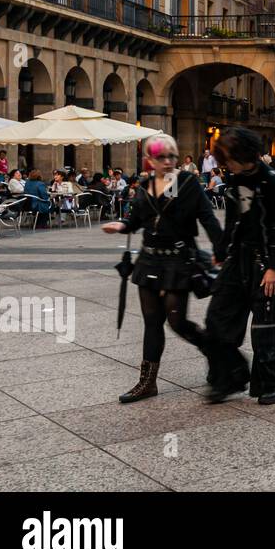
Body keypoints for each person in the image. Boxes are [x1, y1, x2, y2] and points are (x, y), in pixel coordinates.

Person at [101, 134, 224, 405]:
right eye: (161, 157)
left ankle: (218, 356)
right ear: (149, 161)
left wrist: (220, 249)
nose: (168, 162)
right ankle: (147, 383)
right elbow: (135, 220)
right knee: (152, 322)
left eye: (172, 156)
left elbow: (207, 216)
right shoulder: (145, 185)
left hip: (177, 260)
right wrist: (121, 226)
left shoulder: (188, 182)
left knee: (177, 321)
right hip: (149, 260)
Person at [201, 127, 275, 406]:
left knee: (267, 324)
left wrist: (274, 267)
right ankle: (230, 375)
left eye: (227, 159)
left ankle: (272, 381)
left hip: (262, 261)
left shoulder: (270, 182)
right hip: (236, 258)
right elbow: (232, 218)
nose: (224, 165)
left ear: (243, 155)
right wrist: (222, 248)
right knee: (217, 318)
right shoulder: (233, 178)